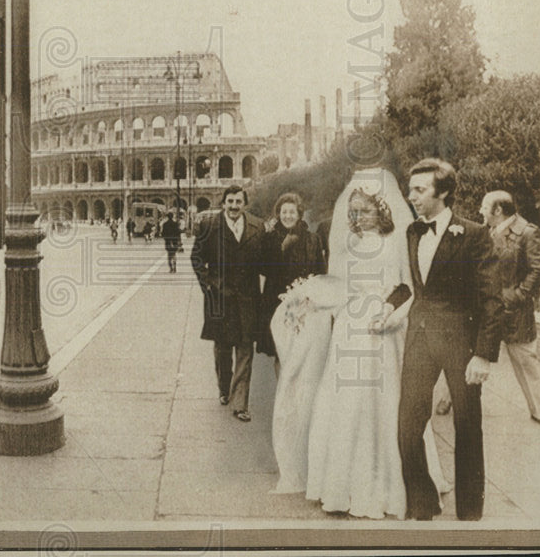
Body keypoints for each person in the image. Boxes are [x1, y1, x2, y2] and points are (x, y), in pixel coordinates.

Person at [270, 168, 450, 518]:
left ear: (381, 209)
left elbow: (409, 288)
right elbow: (340, 285)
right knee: (345, 404)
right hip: (349, 329)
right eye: (352, 211)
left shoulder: (398, 238)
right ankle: (342, 486)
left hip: (384, 329)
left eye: (364, 210)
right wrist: (308, 296)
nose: (357, 217)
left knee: (387, 405)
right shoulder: (348, 244)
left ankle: (390, 485)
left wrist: (388, 313)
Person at [382, 158, 501, 521]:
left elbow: (491, 299)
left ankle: (469, 512)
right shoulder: (412, 232)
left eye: (419, 190)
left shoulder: (474, 235)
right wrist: (387, 306)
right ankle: (422, 504)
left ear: (444, 192)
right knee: (407, 426)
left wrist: (483, 355)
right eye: (410, 189)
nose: (411, 196)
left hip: (460, 344)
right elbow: (412, 288)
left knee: (467, 426)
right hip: (418, 340)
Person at [191, 185, 264, 421]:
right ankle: (224, 388)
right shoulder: (209, 226)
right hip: (219, 298)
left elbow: (266, 260)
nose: (234, 206)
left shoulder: (257, 226)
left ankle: (240, 403)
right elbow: (197, 258)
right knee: (223, 350)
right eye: (230, 201)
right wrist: (209, 287)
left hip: (247, 299)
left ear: (245, 204)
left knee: (245, 349)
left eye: (238, 202)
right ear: (223, 203)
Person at [479, 190, 540, 423]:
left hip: (515, 312)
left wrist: (518, 295)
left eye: (484, 207)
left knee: (525, 361)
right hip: (487, 308)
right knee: (467, 352)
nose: (480, 211)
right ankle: (450, 402)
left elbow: (537, 269)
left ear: (498, 211)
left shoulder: (527, 232)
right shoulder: (485, 231)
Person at [257, 193, 326, 363]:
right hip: (277, 300)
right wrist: (282, 249)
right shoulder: (269, 238)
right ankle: (283, 389)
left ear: (299, 214)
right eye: (284, 212)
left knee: (302, 353)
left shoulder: (313, 239)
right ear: (278, 214)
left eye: (292, 212)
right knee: (281, 353)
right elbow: (263, 268)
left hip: (305, 303)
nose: (287, 216)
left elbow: (320, 272)